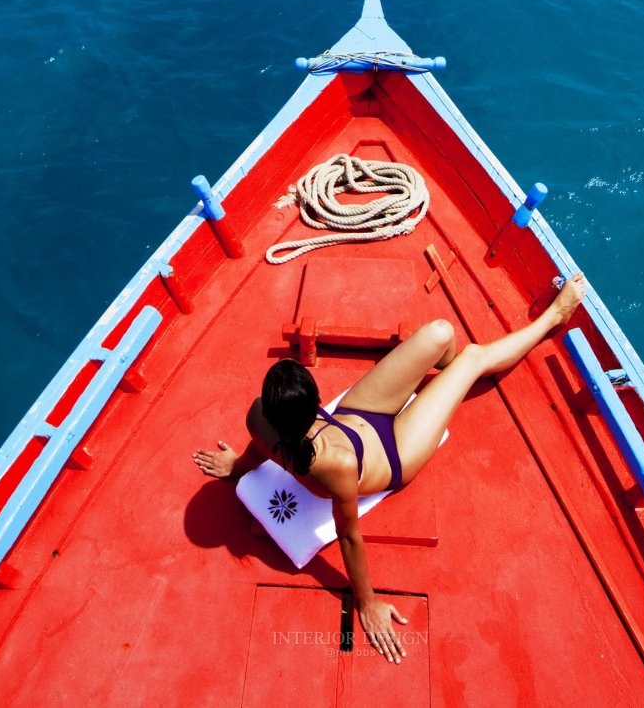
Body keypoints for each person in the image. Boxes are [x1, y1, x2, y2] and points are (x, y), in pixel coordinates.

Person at [193, 272, 586, 664]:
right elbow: (348, 536)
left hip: (356, 416)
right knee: (471, 357)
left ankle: (450, 379)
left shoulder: (259, 416)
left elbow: (258, 447)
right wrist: (367, 604)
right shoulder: (336, 465)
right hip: (394, 453)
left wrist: (239, 467)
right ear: (312, 404)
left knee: (441, 333)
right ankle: (552, 319)